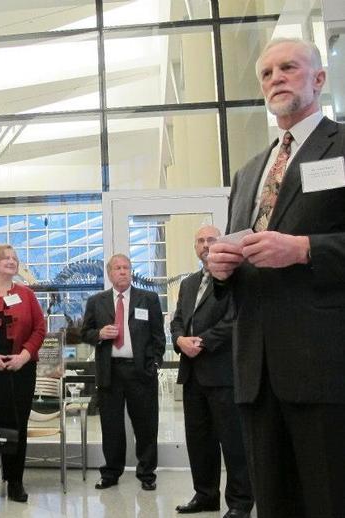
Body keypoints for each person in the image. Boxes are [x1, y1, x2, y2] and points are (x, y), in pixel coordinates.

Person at [207, 37, 345, 518]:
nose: (275, 79)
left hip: (325, 367)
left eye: (288, 68)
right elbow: (239, 252)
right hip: (256, 372)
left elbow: (308, 247)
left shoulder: (342, 146)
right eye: (266, 73)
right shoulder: (249, 172)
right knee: (276, 503)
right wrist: (221, 270)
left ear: (319, 79)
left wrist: (306, 248)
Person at [170, 225, 253, 518]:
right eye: (200, 240)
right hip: (192, 375)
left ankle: (241, 502)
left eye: (211, 240)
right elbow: (177, 320)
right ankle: (205, 495)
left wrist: (202, 342)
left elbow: (235, 319)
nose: (205, 245)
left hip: (223, 373)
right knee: (199, 440)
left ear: (221, 244)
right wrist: (179, 340)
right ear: (195, 247)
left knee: (233, 441)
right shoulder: (189, 283)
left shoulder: (234, 278)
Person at [81, 253, 165, 491]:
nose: (123, 271)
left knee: (146, 425)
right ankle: (111, 472)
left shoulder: (148, 299)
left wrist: (155, 364)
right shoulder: (97, 301)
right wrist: (99, 334)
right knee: (112, 426)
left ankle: (147, 473)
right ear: (110, 273)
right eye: (117, 268)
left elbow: (159, 336)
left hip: (141, 371)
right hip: (110, 372)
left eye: (126, 267)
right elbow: (84, 332)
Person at [0, 244, 46, 503]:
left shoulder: (27, 294)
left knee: (17, 423)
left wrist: (24, 356)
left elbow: (40, 329)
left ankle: (15, 480)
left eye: (15, 258)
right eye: (5, 257)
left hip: (21, 368)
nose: (11, 261)